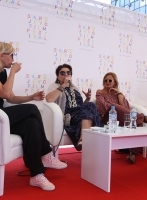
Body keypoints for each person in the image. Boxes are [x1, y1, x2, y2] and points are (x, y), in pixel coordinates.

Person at [0, 42, 67, 191]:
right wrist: (13, 72)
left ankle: (36, 175)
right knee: (31, 110)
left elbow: (10, 97)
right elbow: (4, 93)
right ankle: (46, 153)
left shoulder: (2, 73)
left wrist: (31, 97)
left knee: (31, 123)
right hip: (0, 116)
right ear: (2, 56)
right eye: (11, 55)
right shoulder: (7, 72)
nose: (13, 58)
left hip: (2, 118)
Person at [95, 72, 147, 163]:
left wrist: (120, 95)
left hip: (119, 118)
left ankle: (133, 153)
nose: (107, 82)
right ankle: (143, 118)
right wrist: (115, 106)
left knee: (135, 123)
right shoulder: (100, 92)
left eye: (110, 80)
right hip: (107, 118)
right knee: (114, 107)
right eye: (105, 81)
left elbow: (126, 110)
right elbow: (102, 106)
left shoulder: (117, 94)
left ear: (115, 82)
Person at [46, 64, 102, 151]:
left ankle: (85, 140)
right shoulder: (54, 86)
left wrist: (87, 99)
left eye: (68, 73)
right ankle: (87, 139)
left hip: (80, 113)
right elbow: (49, 99)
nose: (66, 75)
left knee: (91, 104)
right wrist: (63, 85)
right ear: (58, 76)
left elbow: (80, 105)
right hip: (69, 116)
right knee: (85, 113)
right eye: (62, 73)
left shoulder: (74, 87)